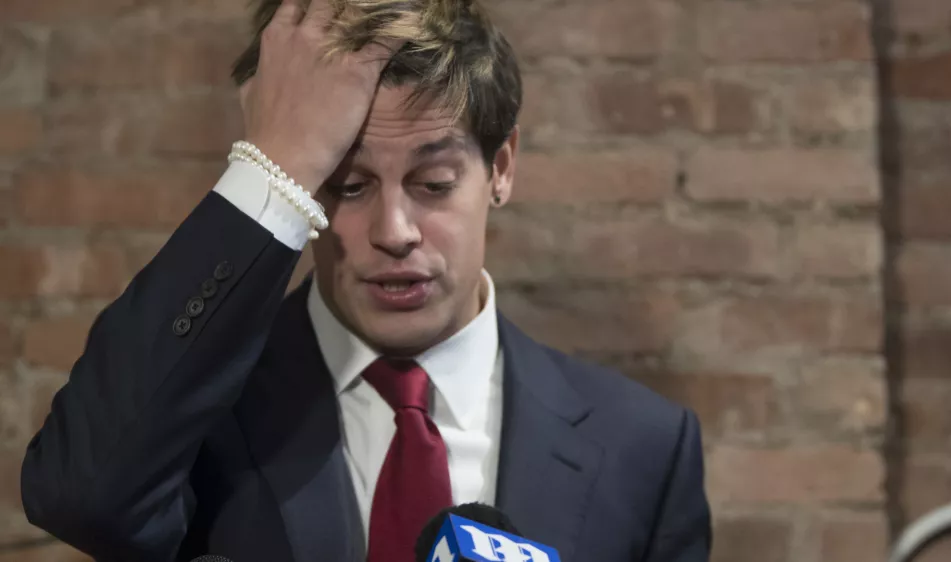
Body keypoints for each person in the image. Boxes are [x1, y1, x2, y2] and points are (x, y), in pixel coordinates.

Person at [20, 0, 711, 560]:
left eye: (433, 183)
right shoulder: (198, 414)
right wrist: (273, 164)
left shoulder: (644, 446)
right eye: (346, 186)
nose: (395, 230)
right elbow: (82, 497)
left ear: (501, 167)